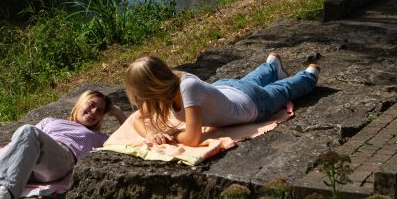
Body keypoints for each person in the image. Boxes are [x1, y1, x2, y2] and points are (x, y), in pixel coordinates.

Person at [124, 52, 321, 147]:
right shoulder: (170, 85)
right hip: (227, 88)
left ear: (152, 89)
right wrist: (151, 133)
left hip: (251, 104)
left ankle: (310, 74)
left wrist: (173, 136)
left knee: (283, 90)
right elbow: (137, 119)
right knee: (248, 81)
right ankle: (271, 66)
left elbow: (192, 138)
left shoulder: (187, 88)